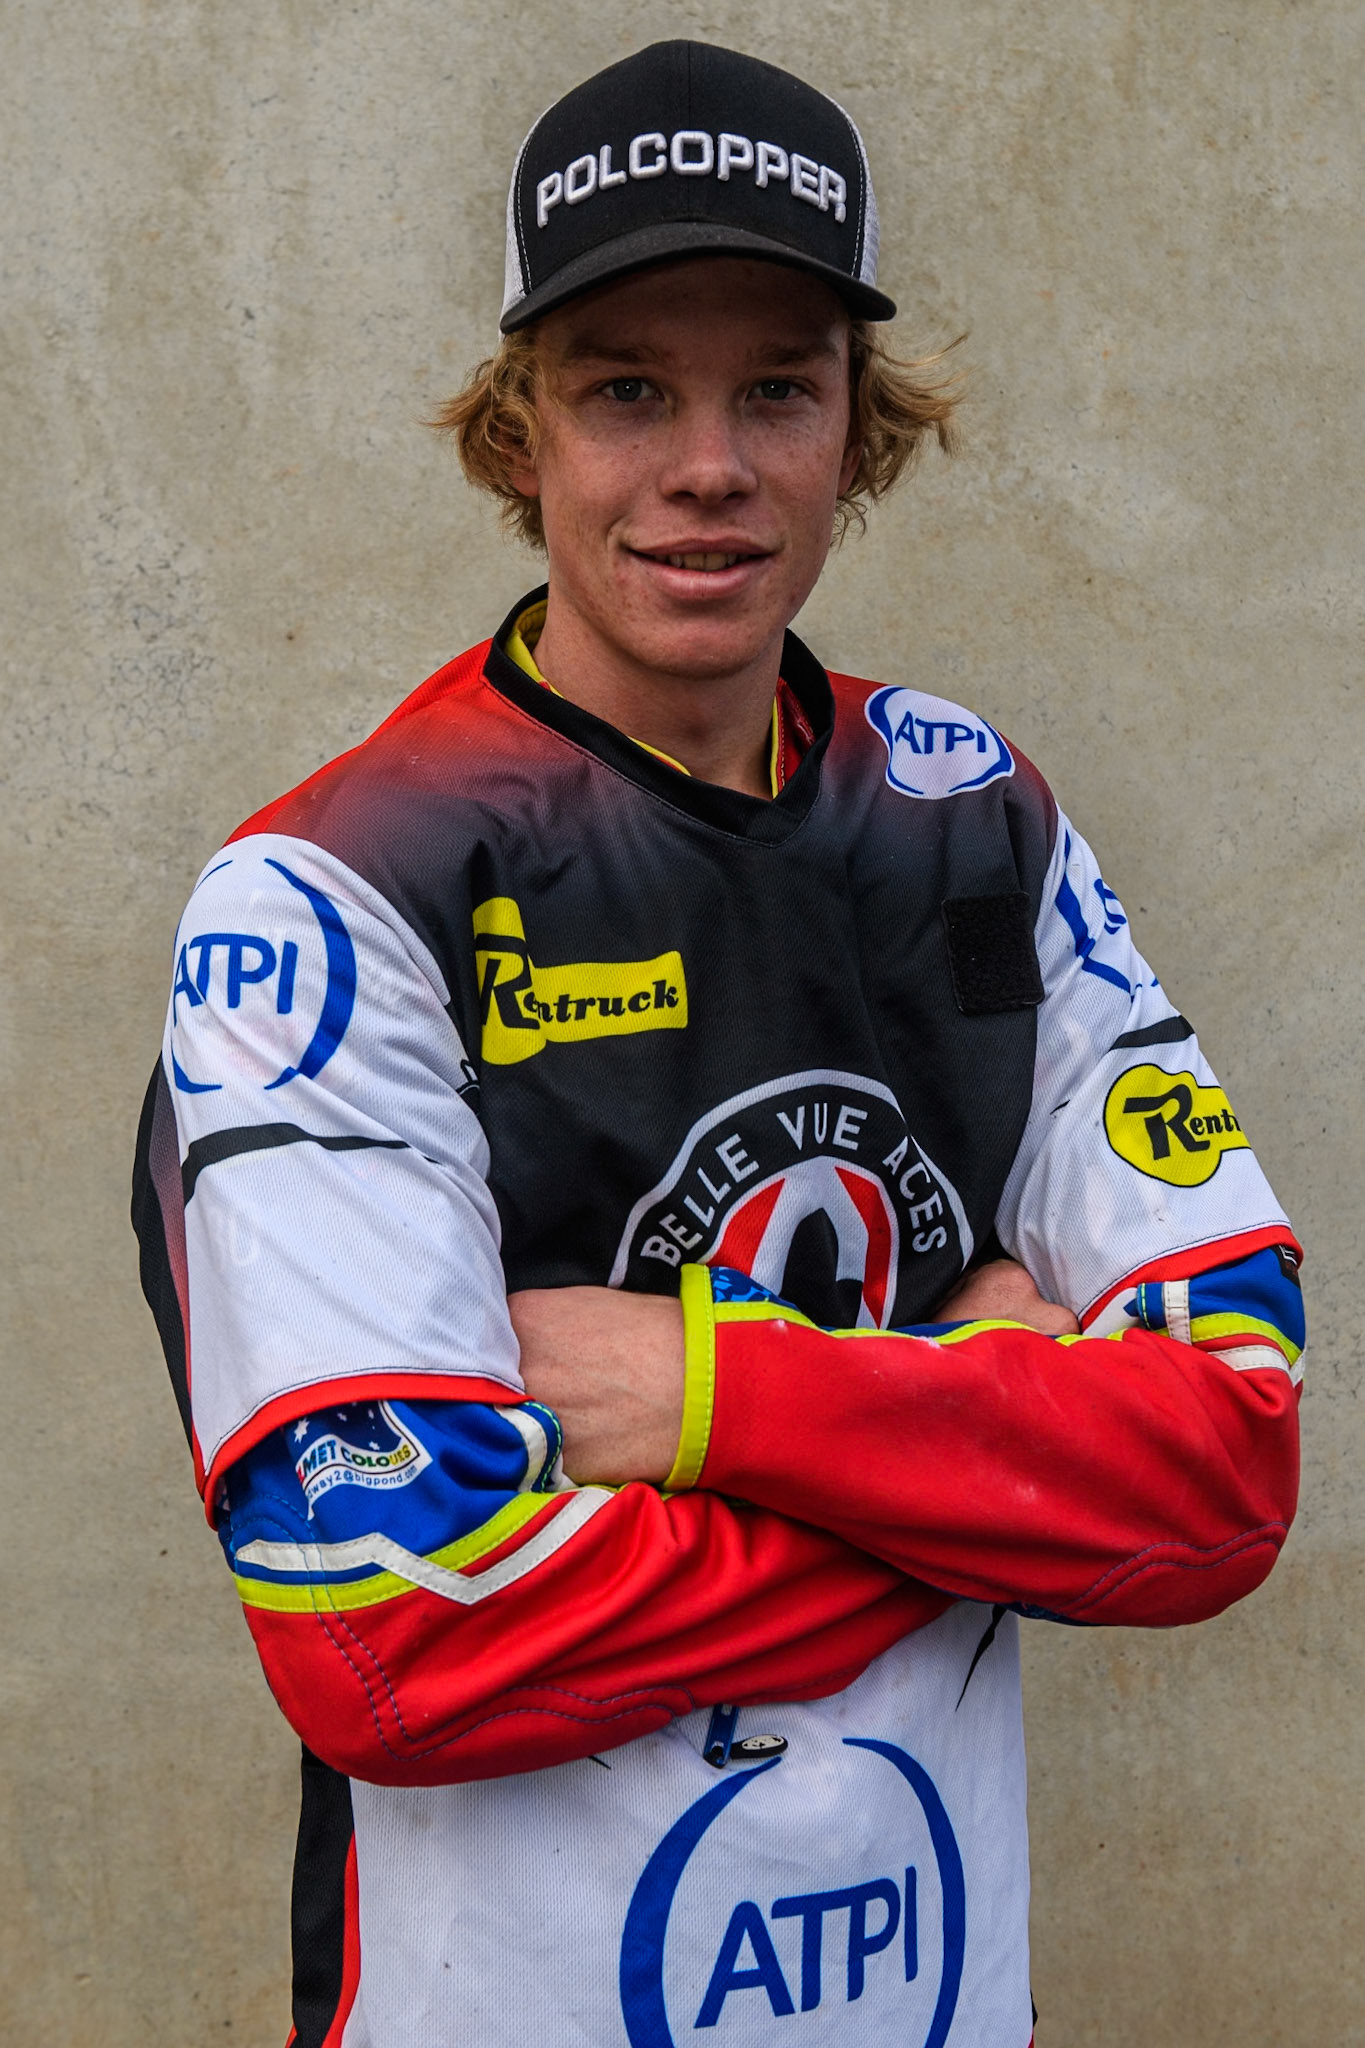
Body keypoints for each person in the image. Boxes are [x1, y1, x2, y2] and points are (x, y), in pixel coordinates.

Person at [132, 39, 1303, 2048]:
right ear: (518, 438)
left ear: (859, 428)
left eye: (777, 383)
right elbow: (393, 1637)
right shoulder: (336, 891)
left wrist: (702, 1393)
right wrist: (971, 1435)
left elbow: (1225, 1470)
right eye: (622, 389)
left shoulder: (973, 827)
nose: (706, 463)